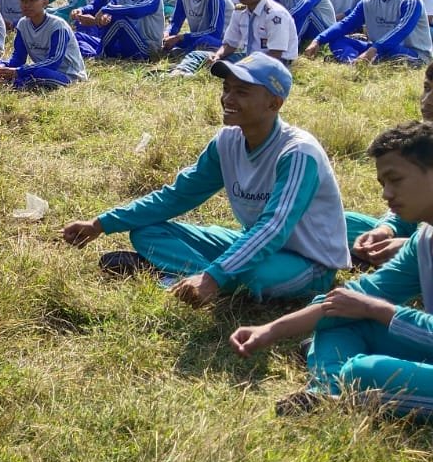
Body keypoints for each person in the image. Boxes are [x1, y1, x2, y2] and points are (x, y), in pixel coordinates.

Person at [61, 54, 350, 305]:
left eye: (242, 92)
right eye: (226, 89)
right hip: (253, 244)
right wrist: (101, 224)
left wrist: (215, 276)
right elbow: (177, 196)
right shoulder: (227, 141)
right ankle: (195, 277)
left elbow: (274, 228)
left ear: (274, 103)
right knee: (145, 232)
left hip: (306, 262)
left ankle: (190, 278)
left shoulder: (298, 153)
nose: (228, 99)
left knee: (249, 273)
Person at [229, 121, 433, 418]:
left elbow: (371, 304)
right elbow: (354, 296)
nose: (386, 195)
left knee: (363, 372)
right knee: (339, 322)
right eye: (382, 184)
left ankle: (339, 389)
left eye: (395, 179)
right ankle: (327, 394)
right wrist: (270, 330)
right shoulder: (423, 239)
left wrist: (379, 311)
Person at [348, 65, 433, 269]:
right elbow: (416, 201)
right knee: (340, 221)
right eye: (427, 88)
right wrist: (387, 229)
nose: (427, 101)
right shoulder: (420, 143)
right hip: (422, 235)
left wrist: (412, 248)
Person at [169, 0, 297, 77]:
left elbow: (276, 53)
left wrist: (247, 63)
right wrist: (218, 56)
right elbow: (230, 44)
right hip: (249, 57)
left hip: (276, 64)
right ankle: (181, 72)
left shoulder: (275, 14)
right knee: (200, 55)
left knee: (232, 69)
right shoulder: (240, 11)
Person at [0, 0, 87, 89]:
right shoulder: (22, 24)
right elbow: (18, 58)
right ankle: (19, 80)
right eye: (23, 0)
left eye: (32, 0)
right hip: (41, 70)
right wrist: (3, 67)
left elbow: (54, 61)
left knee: (41, 73)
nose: (27, 5)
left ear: (45, 3)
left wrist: (18, 71)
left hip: (67, 75)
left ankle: (18, 83)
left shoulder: (57, 25)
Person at [162, 0, 231, 63]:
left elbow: (215, 32)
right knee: (171, 41)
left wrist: (181, 37)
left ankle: (184, 56)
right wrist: (167, 34)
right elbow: (175, 22)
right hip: (200, 37)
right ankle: (179, 52)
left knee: (202, 41)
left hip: (223, 42)